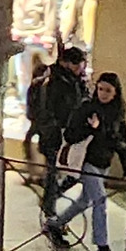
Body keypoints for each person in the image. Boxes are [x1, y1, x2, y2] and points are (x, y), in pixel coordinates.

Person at [46, 71, 126, 251]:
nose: (103, 93)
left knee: (84, 200)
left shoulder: (117, 113)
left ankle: (54, 224)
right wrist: (91, 128)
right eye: (100, 89)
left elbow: (123, 143)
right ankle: (103, 248)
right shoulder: (87, 108)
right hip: (87, 163)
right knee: (100, 201)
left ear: (116, 92)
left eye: (108, 90)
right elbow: (70, 135)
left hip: (104, 164)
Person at [34, 44, 88, 221]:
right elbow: (50, 110)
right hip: (55, 134)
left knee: (71, 173)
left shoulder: (74, 80)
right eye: (78, 64)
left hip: (71, 134)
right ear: (67, 63)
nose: (80, 68)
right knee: (53, 172)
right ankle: (50, 210)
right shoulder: (54, 81)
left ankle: (50, 199)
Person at [22, 52, 49, 163]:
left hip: (38, 115)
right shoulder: (42, 73)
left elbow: (33, 98)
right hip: (39, 115)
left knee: (31, 138)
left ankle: (30, 157)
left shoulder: (38, 77)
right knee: (36, 138)